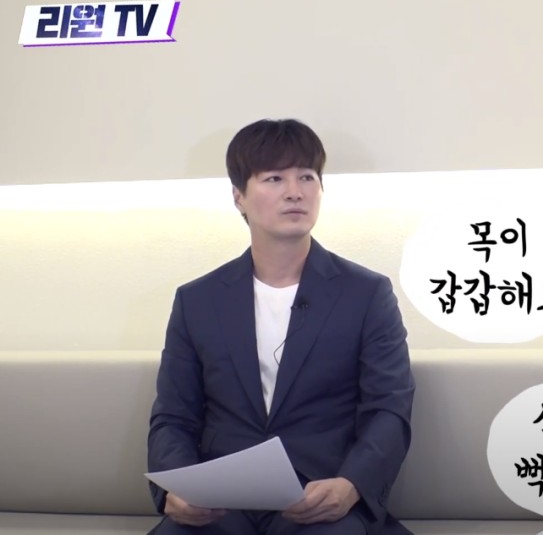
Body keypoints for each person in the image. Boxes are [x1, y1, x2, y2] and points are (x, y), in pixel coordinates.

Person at [146, 119, 416, 535]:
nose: (295, 191)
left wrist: (351, 485)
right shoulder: (197, 300)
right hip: (221, 503)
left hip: (321, 496)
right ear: (239, 197)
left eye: (307, 177)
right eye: (274, 178)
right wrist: (174, 489)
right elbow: (173, 415)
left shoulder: (367, 293)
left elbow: (389, 408)